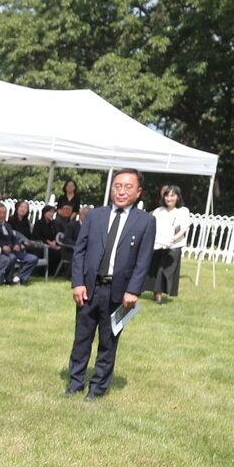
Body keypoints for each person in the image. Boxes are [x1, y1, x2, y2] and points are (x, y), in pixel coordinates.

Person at [67, 169, 156, 400]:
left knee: (108, 342)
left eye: (128, 187)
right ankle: (75, 383)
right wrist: (78, 283)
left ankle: (97, 389)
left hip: (119, 293)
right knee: (81, 339)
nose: (121, 191)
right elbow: (79, 251)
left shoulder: (146, 221)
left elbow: (143, 260)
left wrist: (133, 290)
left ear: (138, 192)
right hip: (89, 289)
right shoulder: (95, 215)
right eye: (117, 186)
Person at [149, 184, 189, 303]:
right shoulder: (158, 211)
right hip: (158, 245)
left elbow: (184, 228)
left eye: (172, 196)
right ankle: (156, 294)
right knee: (155, 270)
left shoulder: (183, 211)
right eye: (167, 196)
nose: (169, 199)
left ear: (178, 197)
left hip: (173, 246)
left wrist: (174, 239)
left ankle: (159, 294)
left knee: (165, 271)